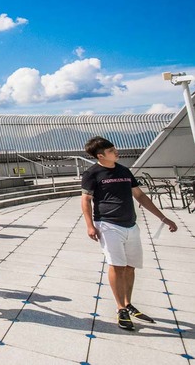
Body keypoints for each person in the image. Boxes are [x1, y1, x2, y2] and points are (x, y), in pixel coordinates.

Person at [81, 136, 177, 331]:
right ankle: (120, 308)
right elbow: (85, 200)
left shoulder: (124, 170)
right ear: (100, 156)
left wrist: (163, 218)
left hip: (130, 225)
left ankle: (128, 303)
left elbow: (139, 195)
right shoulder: (92, 174)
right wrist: (90, 225)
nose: (116, 152)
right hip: (108, 224)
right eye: (111, 151)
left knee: (130, 267)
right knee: (117, 266)